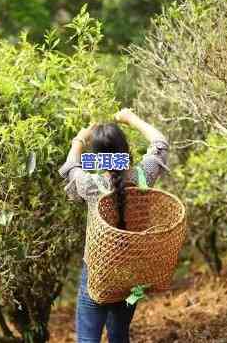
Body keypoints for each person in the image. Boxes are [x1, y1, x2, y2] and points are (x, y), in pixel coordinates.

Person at [58, 108, 170, 343]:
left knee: (88, 340)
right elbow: (160, 142)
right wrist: (132, 119)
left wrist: (80, 139)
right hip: (131, 279)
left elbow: (70, 167)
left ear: (97, 157)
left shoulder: (90, 184)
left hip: (97, 277)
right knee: (119, 336)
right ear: (125, 151)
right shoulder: (143, 176)